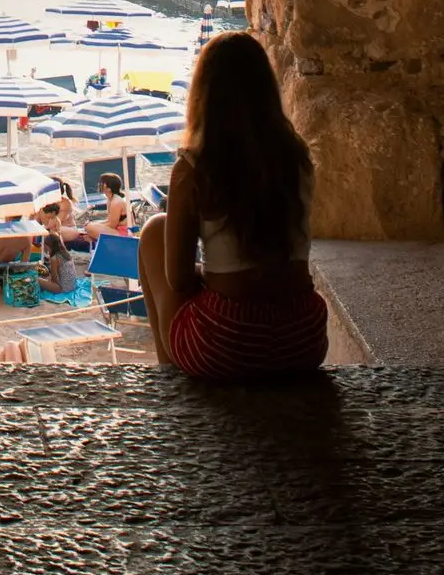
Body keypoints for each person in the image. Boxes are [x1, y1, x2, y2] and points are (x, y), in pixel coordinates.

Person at [137, 31, 328, 381]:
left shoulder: (195, 167)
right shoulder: (297, 158)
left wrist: (211, 278)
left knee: (153, 231)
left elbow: (178, 280)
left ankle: (169, 379)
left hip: (228, 343)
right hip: (303, 338)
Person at [85, 172, 130, 240]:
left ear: (109, 188)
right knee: (91, 225)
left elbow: (112, 225)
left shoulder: (116, 202)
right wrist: (95, 224)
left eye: (102, 183)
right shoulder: (111, 199)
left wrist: (94, 226)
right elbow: (109, 221)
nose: (99, 184)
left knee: (90, 227)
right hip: (120, 230)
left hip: (126, 234)